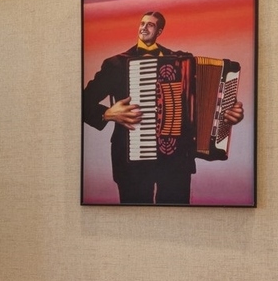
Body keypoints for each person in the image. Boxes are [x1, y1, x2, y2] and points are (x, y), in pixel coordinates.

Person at [82, 10, 244, 204]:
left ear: (159, 31)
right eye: (142, 23)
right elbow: (82, 102)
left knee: (176, 217)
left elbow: (207, 103)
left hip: (176, 162)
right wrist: (107, 114)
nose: (143, 27)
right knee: (134, 218)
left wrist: (229, 113)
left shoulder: (183, 61)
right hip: (131, 160)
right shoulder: (115, 64)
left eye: (150, 24)